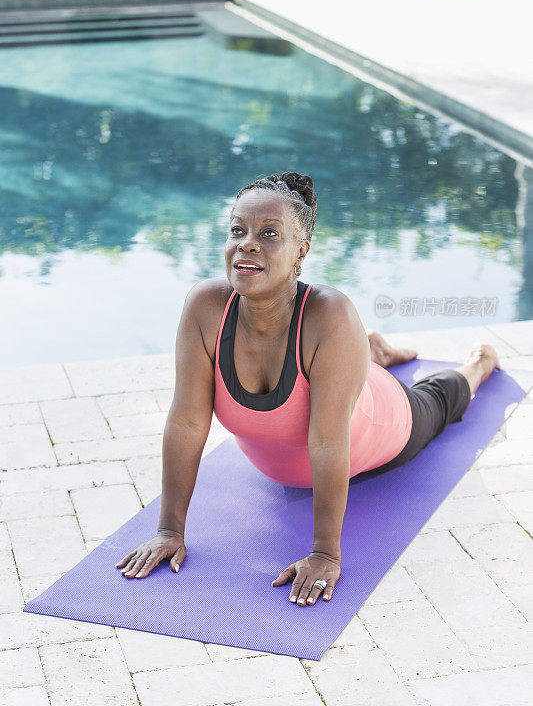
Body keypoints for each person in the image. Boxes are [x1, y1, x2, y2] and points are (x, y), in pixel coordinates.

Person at [116, 171, 500, 607]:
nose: (247, 243)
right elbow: (186, 422)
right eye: (238, 230)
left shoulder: (329, 314)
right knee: (336, 366)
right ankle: (370, 350)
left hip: (381, 421)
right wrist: (169, 530)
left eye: (269, 234)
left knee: (436, 400)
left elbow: (327, 440)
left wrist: (324, 554)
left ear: (302, 251)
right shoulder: (206, 307)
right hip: (320, 389)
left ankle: (477, 364)